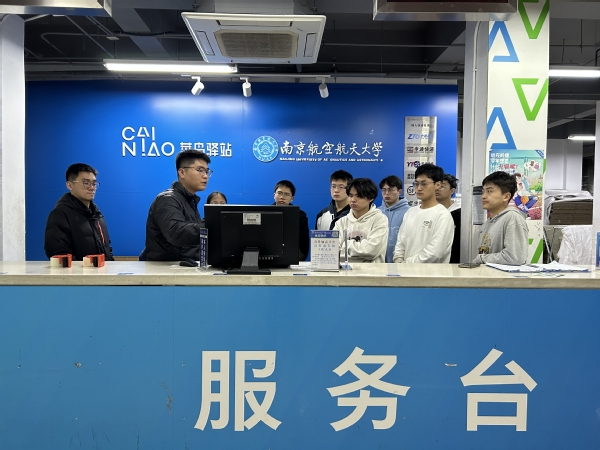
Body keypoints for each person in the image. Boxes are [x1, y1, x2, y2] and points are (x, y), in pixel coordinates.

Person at [144, 150, 211, 261]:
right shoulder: (167, 199)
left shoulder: (190, 201)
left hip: (185, 266)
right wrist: (212, 225)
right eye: (200, 170)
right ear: (182, 172)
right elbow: (176, 233)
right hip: (166, 268)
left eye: (207, 171)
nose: (205, 176)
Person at [44, 163, 114, 261]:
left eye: (94, 183)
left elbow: (107, 249)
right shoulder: (60, 215)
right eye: (86, 183)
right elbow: (60, 255)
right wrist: (87, 268)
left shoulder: (97, 216)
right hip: (80, 271)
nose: (92, 187)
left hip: (102, 270)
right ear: (70, 185)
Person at [393, 163, 454, 263]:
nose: (419, 188)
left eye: (424, 184)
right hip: (404, 270)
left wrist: (406, 264)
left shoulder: (443, 215)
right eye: (416, 184)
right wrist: (398, 260)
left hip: (430, 272)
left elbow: (435, 253)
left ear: (437, 185)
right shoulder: (410, 212)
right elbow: (400, 242)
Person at [473, 171, 528, 266]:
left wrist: (481, 259)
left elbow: (515, 258)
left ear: (506, 196)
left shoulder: (512, 218)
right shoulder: (488, 222)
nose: (483, 196)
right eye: (483, 192)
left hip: (503, 276)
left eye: (489, 191)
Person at [333, 178, 388, 263]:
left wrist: (346, 245)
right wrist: (360, 252)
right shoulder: (341, 222)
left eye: (359, 196)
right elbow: (333, 252)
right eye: (350, 195)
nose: (353, 200)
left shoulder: (380, 219)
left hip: (372, 271)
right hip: (344, 270)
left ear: (370, 198)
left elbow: (371, 251)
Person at [273, 180, 309, 261]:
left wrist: (299, 259)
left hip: (293, 256)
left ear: (292, 198)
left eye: (287, 194)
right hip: (270, 254)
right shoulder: (266, 213)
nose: (282, 197)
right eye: (279, 193)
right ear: (274, 195)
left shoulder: (300, 216)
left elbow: (304, 243)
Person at [378, 175, 410, 263]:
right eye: (384, 190)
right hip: (379, 262)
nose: (386, 193)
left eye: (391, 190)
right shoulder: (377, 212)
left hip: (402, 261)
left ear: (400, 191)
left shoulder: (409, 212)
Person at [436, 174, 461, 263]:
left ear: (452, 190)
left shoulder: (459, 214)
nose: (437, 189)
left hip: (453, 260)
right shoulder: (430, 212)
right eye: (436, 185)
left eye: (442, 186)